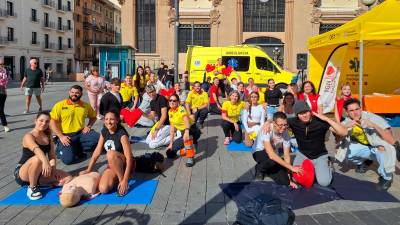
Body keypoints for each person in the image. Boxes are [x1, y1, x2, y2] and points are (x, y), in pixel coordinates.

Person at [267, 101, 347, 187]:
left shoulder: (320, 122)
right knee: (297, 178)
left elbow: (344, 132)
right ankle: (312, 167)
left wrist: (326, 119)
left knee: (324, 183)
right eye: (301, 113)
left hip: (320, 155)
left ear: (310, 111)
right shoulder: (293, 122)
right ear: (297, 115)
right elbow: (279, 118)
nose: (304, 115)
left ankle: (327, 165)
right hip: (303, 155)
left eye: (306, 112)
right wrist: (267, 122)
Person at [339, 98, 399, 190]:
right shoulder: (347, 121)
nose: (355, 113)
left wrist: (374, 125)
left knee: (381, 146)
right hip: (367, 148)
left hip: (380, 148)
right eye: (351, 110)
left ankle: (387, 178)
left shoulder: (371, 117)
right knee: (344, 150)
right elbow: (337, 138)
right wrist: (346, 127)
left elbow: (390, 139)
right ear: (347, 113)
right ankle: (364, 162)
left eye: (357, 109)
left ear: (361, 109)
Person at [14, 111, 72, 200]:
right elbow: (37, 150)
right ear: (35, 121)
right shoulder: (28, 136)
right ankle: (32, 188)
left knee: (68, 178)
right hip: (22, 173)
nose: (44, 123)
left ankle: (43, 184)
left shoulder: (48, 136)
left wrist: (53, 170)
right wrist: (45, 162)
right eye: (41, 120)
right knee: (38, 159)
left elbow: (52, 155)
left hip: (40, 170)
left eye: (47, 121)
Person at [80, 110, 134, 196]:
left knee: (110, 153)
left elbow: (129, 158)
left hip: (125, 164)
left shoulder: (122, 135)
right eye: (106, 119)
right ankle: (117, 177)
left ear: (117, 120)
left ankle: (121, 181)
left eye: (112, 119)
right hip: (113, 164)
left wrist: (125, 180)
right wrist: (89, 169)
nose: (109, 122)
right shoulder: (104, 132)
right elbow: (96, 153)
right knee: (103, 189)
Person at [50, 85, 99, 165]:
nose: (74, 94)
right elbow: (52, 122)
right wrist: (61, 136)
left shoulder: (85, 105)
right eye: (72, 92)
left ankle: (76, 147)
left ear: (81, 94)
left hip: (80, 133)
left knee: (98, 139)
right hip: (65, 135)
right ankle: (60, 147)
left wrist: (88, 126)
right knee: (68, 160)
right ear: (69, 92)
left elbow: (93, 117)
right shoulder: (60, 105)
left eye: (77, 93)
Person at [252, 112, 302, 188]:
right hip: (259, 152)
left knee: (284, 181)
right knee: (272, 160)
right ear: (274, 123)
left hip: (273, 156)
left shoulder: (285, 133)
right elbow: (271, 155)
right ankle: (259, 168)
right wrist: (291, 167)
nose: (283, 127)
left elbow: (286, 155)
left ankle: (268, 169)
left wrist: (288, 172)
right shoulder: (266, 130)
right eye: (280, 125)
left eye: (285, 124)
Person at [166, 94, 201, 167]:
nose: (172, 102)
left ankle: (190, 158)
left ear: (178, 102)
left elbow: (186, 121)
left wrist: (187, 131)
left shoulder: (181, 109)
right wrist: (171, 144)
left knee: (187, 140)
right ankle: (190, 149)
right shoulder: (170, 112)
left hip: (191, 129)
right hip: (183, 132)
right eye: (170, 100)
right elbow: (172, 129)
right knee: (170, 153)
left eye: (174, 101)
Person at [0, 57, 10, 132]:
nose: (1, 65)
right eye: (0, 64)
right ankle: (4, 124)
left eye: (2, 64)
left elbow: (5, 81)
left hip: (2, 92)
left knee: (1, 109)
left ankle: (4, 124)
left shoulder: (4, 71)